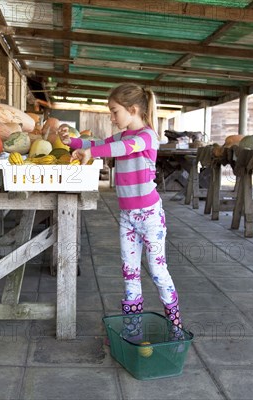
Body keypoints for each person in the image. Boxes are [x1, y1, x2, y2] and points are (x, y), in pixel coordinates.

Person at [59, 83, 183, 340]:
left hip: (149, 217)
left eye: (115, 112)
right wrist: (70, 141)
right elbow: (99, 142)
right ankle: (133, 329)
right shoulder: (123, 135)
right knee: (129, 273)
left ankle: (176, 327)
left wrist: (91, 152)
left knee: (159, 273)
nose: (112, 117)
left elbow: (121, 149)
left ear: (133, 109)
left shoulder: (147, 136)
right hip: (127, 217)